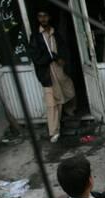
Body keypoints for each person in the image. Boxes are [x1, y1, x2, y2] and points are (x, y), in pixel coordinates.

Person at [28, 10, 76, 143]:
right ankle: (54, 131)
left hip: (59, 71)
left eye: (45, 15)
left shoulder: (55, 33)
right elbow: (37, 58)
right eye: (40, 16)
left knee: (68, 89)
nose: (43, 18)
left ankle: (70, 111)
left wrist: (63, 61)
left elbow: (64, 50)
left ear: (49, 17)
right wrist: (54, 57)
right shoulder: (36, 37)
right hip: (47, 74)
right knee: (52, 103)